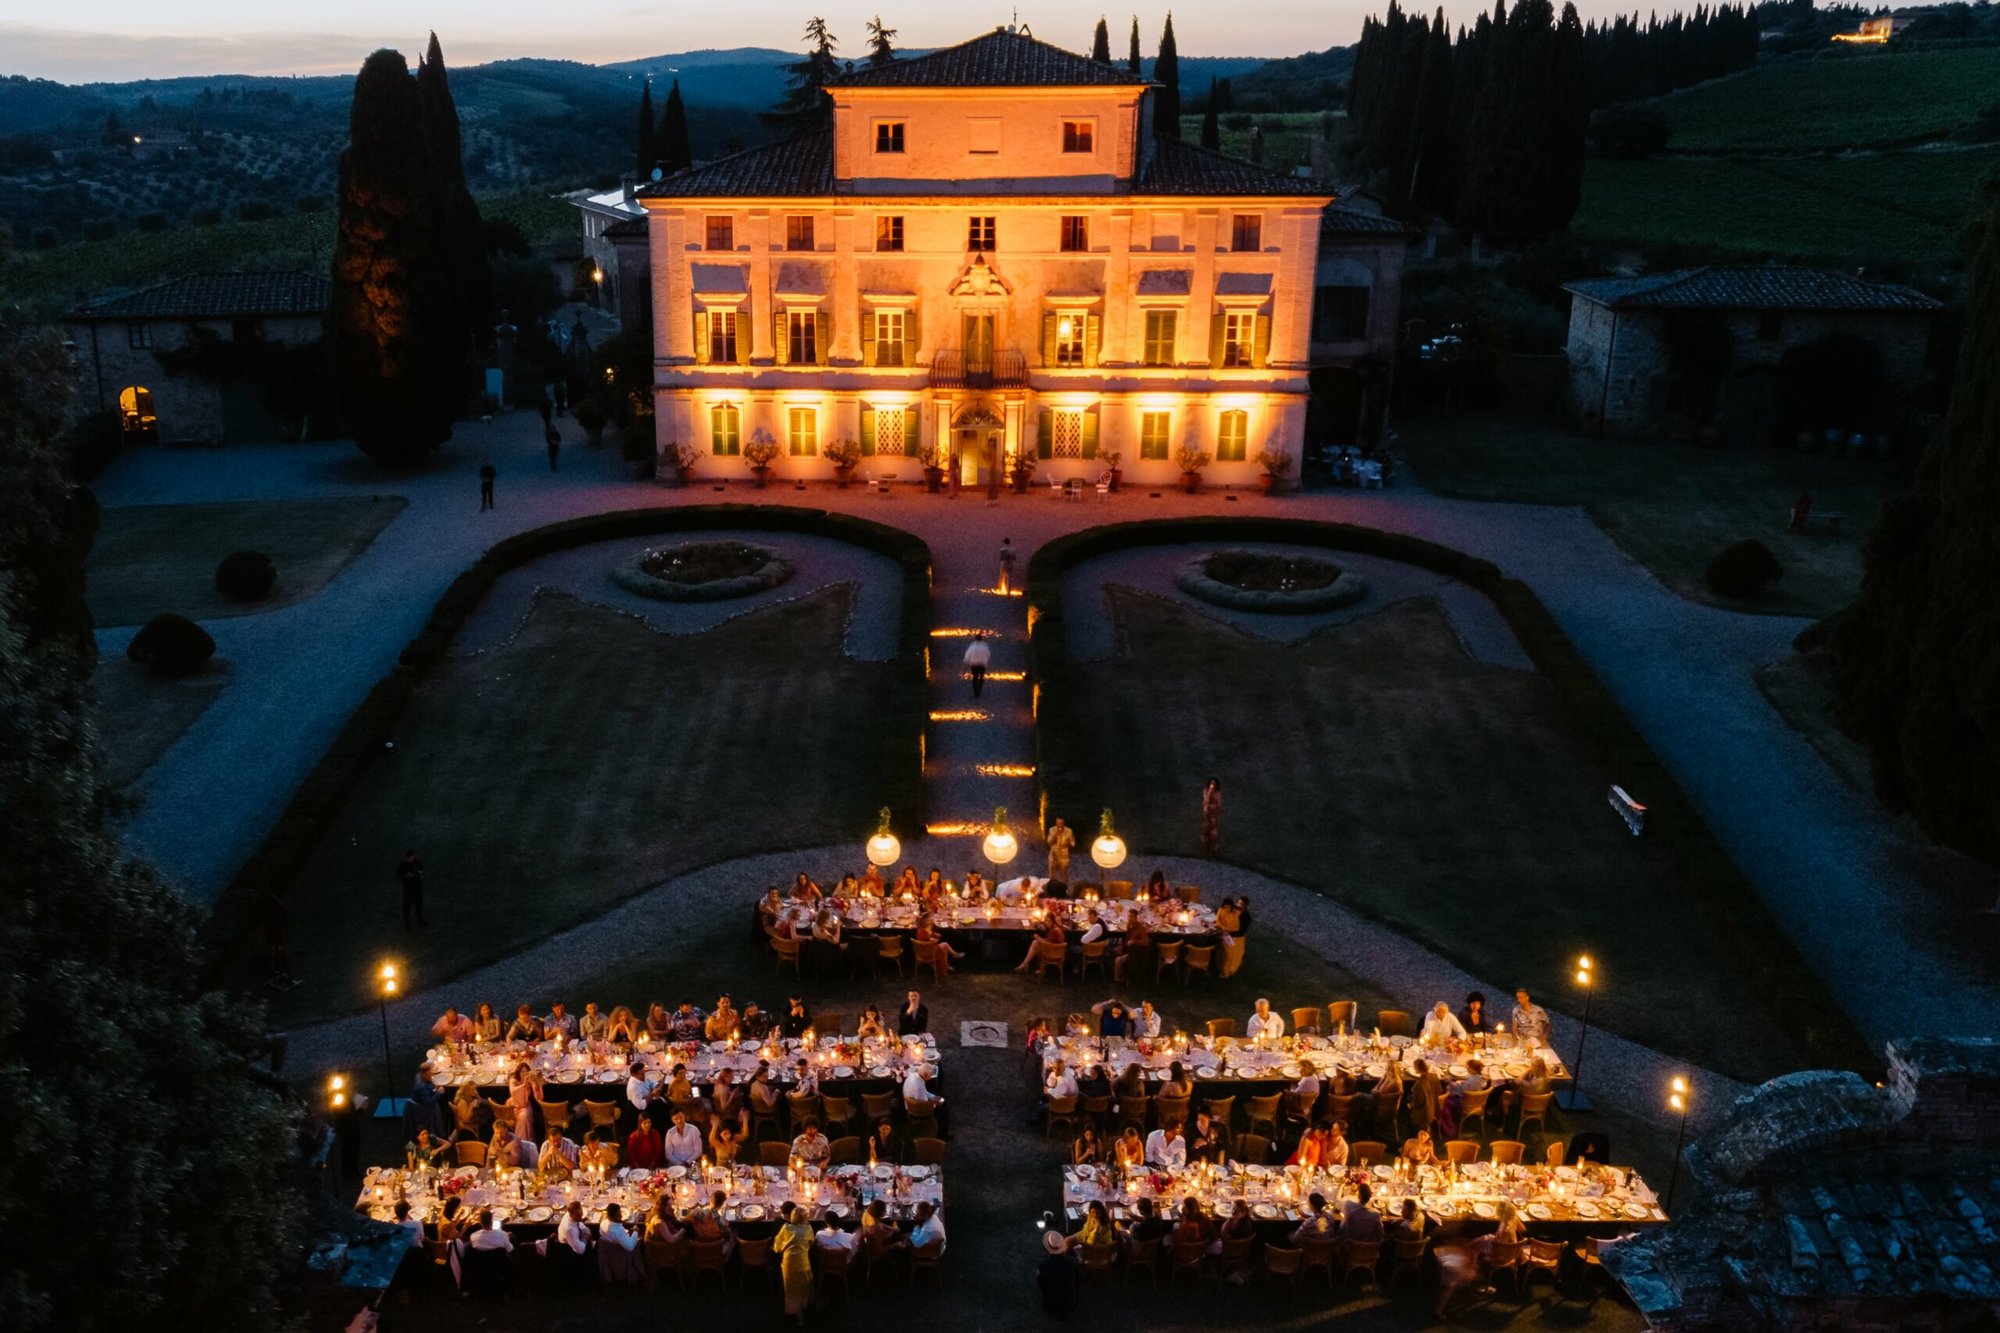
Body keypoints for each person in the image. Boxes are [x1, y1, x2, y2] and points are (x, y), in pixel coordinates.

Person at [774, 1202, 815, 1323]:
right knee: (804, 1286)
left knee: (791, 1288)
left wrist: (784, 1248)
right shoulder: (808, 1229)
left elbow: (777, 1246)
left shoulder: (786, 1228)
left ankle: (794, 1311)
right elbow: (811, 1242)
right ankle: (804, 1308)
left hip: (788, 1263)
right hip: (803, 1262)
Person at [1038, 1228, 1081, 1315]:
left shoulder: (1043, 1264)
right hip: (1071, 1303)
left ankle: (1048, 1299)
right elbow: (1078, 1278)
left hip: (1051, 1305)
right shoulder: (1072, 1261)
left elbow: (1041, 1283)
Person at [903, 1063, 949, 1135]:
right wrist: (934, 1103)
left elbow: (924, 1092)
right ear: (925, 1075)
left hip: (912, 1103)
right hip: (916, 1109)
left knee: (941, 1102)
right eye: (930, 1076)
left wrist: (932, 1096)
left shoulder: (914, 1075)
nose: (930, 1078)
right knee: (943, 1109)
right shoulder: (918, 1088)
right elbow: (924, 1104)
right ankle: (942, 1134)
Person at [397, 850, 427, 930]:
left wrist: (416, 872)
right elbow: (398, 876)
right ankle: (408, 924)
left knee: (418, 906)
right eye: (408, 858)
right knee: (407, 907)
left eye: (411, 857)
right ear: (406, 857)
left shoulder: (417, 862)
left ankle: (420, 920)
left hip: (417, 888)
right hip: (408, 889)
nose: (410, 859)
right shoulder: (402, 866)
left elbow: (421, 871)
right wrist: (406, 876)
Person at [1045, 816, 1075, 882]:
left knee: (1064, 875)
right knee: (1052, 875)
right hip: (1053, 856)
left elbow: (1073, 843)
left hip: (1064, 857)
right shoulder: (1052, 830)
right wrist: (1055, 835)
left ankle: (1064, 889)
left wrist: (1068, 844)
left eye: (1061, 823)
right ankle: (1052, 888)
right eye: (1058, 823)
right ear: (1056, 823)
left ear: (1064, 823)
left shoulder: (1069, 831)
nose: (1059, 825)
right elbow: (1049, 842)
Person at [964, 633, 992, 698]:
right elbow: (988, 654)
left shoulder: (972, 646)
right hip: (982, 664)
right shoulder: (985, 646)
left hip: (974, 664)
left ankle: (975, 692)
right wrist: (986, 661)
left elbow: (968, 654)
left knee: (975, 678)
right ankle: (979, 689)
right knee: (981, 677)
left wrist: (966, 660)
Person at [1199, 779, 1222, 855]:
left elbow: (1218, 805)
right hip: (1207, 812)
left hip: (1214, 813)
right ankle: (1205, 845)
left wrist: (1211, 806)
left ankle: (1214, 846)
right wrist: (1209, 792)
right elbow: (1206, 801)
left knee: (1213, 830)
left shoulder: (1218, 793)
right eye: (1211, 783)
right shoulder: (1205, 791)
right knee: (1206, 827)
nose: (1212, 785)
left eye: (1214, 783)